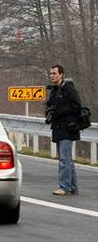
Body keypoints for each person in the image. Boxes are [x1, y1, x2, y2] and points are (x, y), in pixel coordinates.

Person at [45, 65, 82, 196]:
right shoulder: (54, 90)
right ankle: (73, 187)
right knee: (67, 159)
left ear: (61, 74)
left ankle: (64, 187)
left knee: (64, 159)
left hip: (68, 128)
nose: (52, 76)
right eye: (50, 74)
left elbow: (77, 106)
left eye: (54, 73)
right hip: (58, 128)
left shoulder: (68, 89)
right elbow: (51, 106)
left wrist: (59, 113)